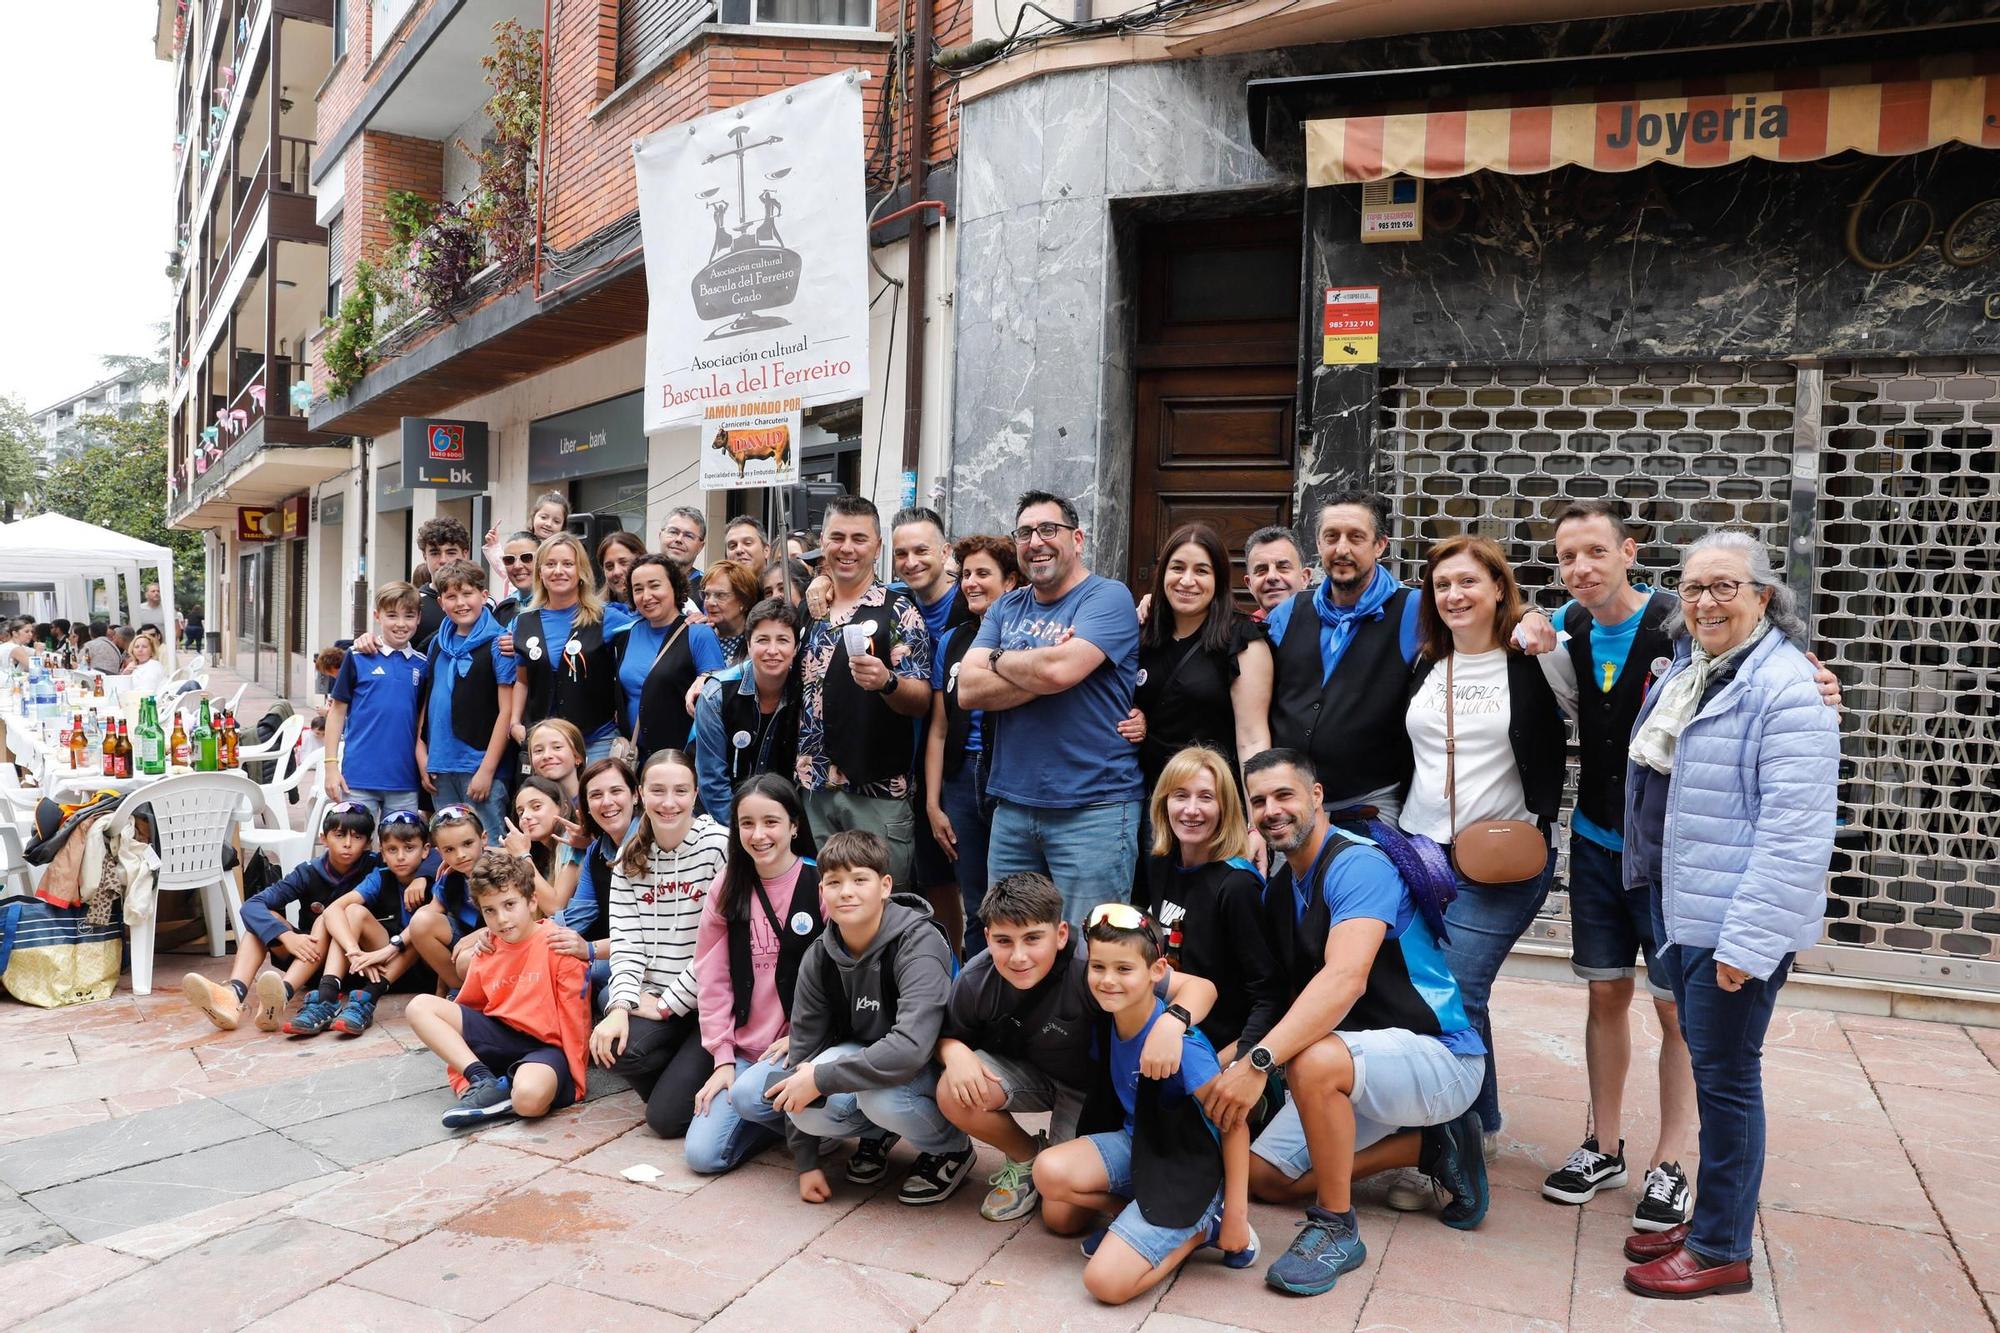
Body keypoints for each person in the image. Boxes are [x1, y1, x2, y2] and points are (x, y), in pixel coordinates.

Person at [1619, 531, 1839, 1300]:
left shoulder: (1786, 688)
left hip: (1730, 923)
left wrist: (1746, 941)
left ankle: (1720, 1249)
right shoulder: (1695, 667)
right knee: (1716, 1074)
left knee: (1727, 1080)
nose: (1706, 601)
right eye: (1693, 587)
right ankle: (1714, 1218)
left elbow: (1795, 834)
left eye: (1725, 587)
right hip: (1684, 909)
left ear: (1764, 597)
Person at [1204, 750, 1488, 1298]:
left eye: (1284, 795)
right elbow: (1286, 997)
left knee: (1311, 1061)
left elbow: (1345, 980)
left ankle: (1336, 1227)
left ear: (1316, 796)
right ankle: (1428, 1149)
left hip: (1441, 1059)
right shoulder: (1287, 883)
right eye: (1258, 801)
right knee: (1265, 1178)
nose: (1270, 810)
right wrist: (1231, 1060)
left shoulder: (1358, 863)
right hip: (1360, 1062)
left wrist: (1260, 1062)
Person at [1533, 500, 1698, 1227]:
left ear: (1629, 550)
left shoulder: (1678, 623)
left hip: (1667, 851)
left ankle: (1675, 1160)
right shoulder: (1566, 627)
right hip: (1597, 839)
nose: (1582, 569)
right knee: (1605, 994)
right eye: (1569, 556)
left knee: (1675, 1007)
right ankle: (1602, 1143)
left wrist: (1816, 678)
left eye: (1596, 552)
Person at [1395, 534, 1566, 1169]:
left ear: (1499, 588)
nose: (1454, 595)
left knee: (1457, 994)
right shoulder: (1425, 663)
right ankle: (1483, 1118)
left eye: (1469, 582)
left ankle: (1446, 1146)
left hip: (1501, 860)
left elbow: (1590, 678)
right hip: (1420, 853)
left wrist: (1535, 619)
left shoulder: (1536, 658)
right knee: (1443, 991)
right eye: (1442, 585)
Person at [933, 871, 1216, 1224]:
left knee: (1063, 1220)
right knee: (952, 1089)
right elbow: (945, 1032)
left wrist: (1173, 1022)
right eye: (1004, 941)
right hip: (1034, 1074)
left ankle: (1136, 1196)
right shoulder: (977, 979)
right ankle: (1026, 1157)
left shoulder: (1095, 965)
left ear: (1062, 934)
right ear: (987, 938)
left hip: (1091, 1092)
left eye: (1033, 938)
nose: (1019, 956)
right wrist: (953, 1052)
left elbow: (1201, 988)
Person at [1032, 904, 1257, 1305]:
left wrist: (1238, 1214)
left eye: (1124, 969)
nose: (1108, 980)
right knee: (1053, 1193)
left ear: (1157, 972)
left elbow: (1235, 1125)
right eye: (1098, 967)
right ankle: (1132, 1215)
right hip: (1141, 1142)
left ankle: (1204, 1228)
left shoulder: (1181, 1047)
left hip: (1188, 1166)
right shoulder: (1110, 1015)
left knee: (1104, 1284)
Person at [958, 491, 1143, 927]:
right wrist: (1045, 666)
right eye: (1025, 532)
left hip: (1094, 808)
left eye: (1048, 530)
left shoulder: (1108, 597)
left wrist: (1002, 660)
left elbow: (1060, 671)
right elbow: (968, 688)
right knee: (1011, 941)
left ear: (1077, 539)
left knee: (1091, 949)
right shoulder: (1006, 605)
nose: (1035, 541)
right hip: (1013, 807)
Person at [765, 829, 972, 1206]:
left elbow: (910, 1050)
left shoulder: (918, 942)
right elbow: (804, 1050)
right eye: (834, 882)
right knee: (804, 1102)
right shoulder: (821, 954)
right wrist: (806, 1162)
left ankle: (951, 1148)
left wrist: (823, 1078)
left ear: (885, 886)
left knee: (879, 1099)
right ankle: (878, 1135)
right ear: (822, 891)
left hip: (934, 1063)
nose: (846, 891)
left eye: (860, 879)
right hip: (869, 1057)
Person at [589, 749, 729, 1138]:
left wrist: (669, 1006)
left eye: (681, 791)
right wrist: (621, 1006)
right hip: (655, 997)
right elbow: (627, 941)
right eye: (658, 790)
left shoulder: (720, 846)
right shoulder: (629, 854)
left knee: (665, 1121)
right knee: (610, 1042)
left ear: (696, 793)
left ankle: (695, 1072)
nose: (669, 803)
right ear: (640, 793)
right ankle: (681, 1070)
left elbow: (723, 947)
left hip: (709, 1004)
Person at [794, 496, 933, 885]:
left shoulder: (899, 611)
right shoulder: (812, 608)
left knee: (886, 915)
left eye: (859, 538)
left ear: (877, 547)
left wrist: (887, 682)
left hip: (876, 795)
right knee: (824, 909)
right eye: (837, 537)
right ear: (823, 542)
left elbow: (921, 699)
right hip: (814, 790)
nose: (847, 548)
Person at [686, 773, 820, 1174]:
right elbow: (712, 978)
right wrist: (722, 1058)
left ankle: (810, 1125)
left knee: (747, 1096)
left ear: (795, 825)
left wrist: (803, 1035)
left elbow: (843, 978)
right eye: (747, 823)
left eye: (771, 822)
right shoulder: (727, 887)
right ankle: (784, 1124)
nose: (759, 834)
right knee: (702, 1156)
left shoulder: (820, 883)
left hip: (800, 1047)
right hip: (745, 1051)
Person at [409, 850, 593, 1128]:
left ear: (532, 902)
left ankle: (506, 1091)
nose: (502, 919)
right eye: (490, 911)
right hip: (498, 1036)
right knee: (419, 1006)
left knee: (528, 1102)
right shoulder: (488, 946)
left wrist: (575, 1080)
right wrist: (463, 1074)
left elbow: (576, 1017)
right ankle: (483, 1079)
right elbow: (470, 1007)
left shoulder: (558, 944)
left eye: (509, 905)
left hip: (544, 1048)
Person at [181, 803, 383, 1034]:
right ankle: (233, 995)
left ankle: (283, 995)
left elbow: (415, 860)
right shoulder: (308, 872)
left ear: (369, 843)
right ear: (323, 838)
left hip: (355, 964)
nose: (347, 844)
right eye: (339, 835)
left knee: (329, 919)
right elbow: (252, 906)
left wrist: (421, 880)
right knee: (260, 924)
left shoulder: (376, 866)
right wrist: (287, 937)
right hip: (309, 959)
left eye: (357, 837)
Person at [1131, 522, 1273, 801]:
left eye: (1201, 571)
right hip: (1149, 801)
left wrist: (1255, 820)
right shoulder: (1142, 631)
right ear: (1162, 574)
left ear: (1218, 579)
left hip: (1214, 803)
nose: (1186, 580)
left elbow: (1253, 740)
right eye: (1177, 568)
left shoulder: (1241, 639)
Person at [925, 535, 1018, 957]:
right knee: (974, 901)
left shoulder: (1024, 637)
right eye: (965, 574)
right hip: (961, 778)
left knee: (1011, 901)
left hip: (1008, 775)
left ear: (1011, 581)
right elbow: (939, 728)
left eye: (983, 573)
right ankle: (978, 999)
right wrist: (933, 802)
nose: (971, 583)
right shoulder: (953, 641)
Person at [305, 810, 442, 1037]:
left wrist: (423, 877)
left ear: (426, 850)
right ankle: (327, 994)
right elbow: (332, 911)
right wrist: (354, 951)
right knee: (353, 911)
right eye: (392, 850)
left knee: (419, 926)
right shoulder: (381, 875)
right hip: (381, 964)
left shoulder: (437, 876)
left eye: (409, 848)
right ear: (382, 853)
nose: (400, 857)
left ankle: (368, 998)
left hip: (423, 967)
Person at [510, 532, 635, 765]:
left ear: (581, 572)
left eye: (568, 564)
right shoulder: (524, 622)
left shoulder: (608, 618)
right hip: (545, 746)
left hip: (597, 741)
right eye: (550, 564)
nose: (559, 571)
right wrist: (515, 722)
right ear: (540, 573)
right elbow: (523, 680)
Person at [419, 560, 517, 839]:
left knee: (489, 849)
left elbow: (506, 711)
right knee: (450, 846)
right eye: (451, 596)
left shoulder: (499, 643)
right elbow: (427, 700)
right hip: (440, 765)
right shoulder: (437, 642)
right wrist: (424, 755)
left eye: (467, 594)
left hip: (479, 766)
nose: (460, 603)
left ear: (484, 596)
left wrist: (487, 770)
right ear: (440, 602)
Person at [693, 598, 802, 823]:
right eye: (762, 640)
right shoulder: (717, 694)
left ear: (796, 648)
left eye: (782, 640)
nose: (772, 650)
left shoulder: (806, 693)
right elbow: (713, 782)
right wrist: (743, 831)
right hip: (724, 823)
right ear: (749, 645)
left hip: (786, 824)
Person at [323, 584, 425, 822]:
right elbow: (337, 712)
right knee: (354, 848)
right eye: (391, 615)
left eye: (409, 616)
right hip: (357, 778)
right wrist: (330, 766)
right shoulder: (357, 657)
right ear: (377, 616)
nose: (401, 624)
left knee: (402, 852)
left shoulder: (423, 665)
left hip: (404, 780)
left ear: (419, 618)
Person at [620, 554, 726, 763]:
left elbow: (717, 695)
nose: (646, 595)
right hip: (636, 759)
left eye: (654, 586)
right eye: (638, 589)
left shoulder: (698, 633)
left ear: (674, 587)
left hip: (681, 759)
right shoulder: (629, 633)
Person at [404, 805, 493, 991]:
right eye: (449, 850)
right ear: (440, 853)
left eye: (467, 844)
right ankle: (459, 989)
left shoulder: (502, 869)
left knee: (465, 958)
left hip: (501, 938)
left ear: (483, 838)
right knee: (421, 920)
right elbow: (425, 918)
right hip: (466, 943)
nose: (460, 855)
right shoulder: (450, 877)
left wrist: (478, 936)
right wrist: (391, 947)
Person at [482, 492, 570, 597]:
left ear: (563, 527)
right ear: (533, 518)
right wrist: (494, 545)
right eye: (544, 517)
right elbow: (504, 567)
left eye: (556, 521)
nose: (548, 524)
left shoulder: (565, 552)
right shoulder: (521, 542)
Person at [412, 517, 478, 654]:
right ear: (425, 556)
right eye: (435, 553)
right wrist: (367, 641)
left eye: (451, 553)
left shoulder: (484, 602)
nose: (443, 560)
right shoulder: (412, 602)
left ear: (465, 554)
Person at [1242, 526, 1313, 620]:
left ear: (1304, 578)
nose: (1272, 576)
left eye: (1283, 567)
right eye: (1261, 570)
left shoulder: (1329, 631)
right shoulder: (1237, 633)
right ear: (1249, 584)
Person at [699, 559, 760, 665]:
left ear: (744, 601)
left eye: (720, 595)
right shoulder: (700, 636)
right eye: (707, 595)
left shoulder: (758, 641)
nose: (710, 602)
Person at [525, 717, 587, 806]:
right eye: (538, 750)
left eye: (557, 747)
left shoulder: (592, 802)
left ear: (577, 756)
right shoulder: (528, 805)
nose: (546, 756)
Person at [659, 505, 709, 603]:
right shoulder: (639, 579)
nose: (679, 539)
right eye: (673, 532)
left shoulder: (708, 588)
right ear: (660, 536)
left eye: (688, 536)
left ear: (701, 546)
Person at [492, 531, 539, 626]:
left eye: (527, 558)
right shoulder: (503, 609)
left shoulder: (557, 605)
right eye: (509, 560)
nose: (517, 566)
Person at [597, 530, 647, 609]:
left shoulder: (656, 612)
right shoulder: (597, 614)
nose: (617, 572)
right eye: (609, 566)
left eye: (624, 563)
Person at [125, 630, 168, 694]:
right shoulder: (133, 666)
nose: (140, 650)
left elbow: (146, 691)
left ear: (152, 651)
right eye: (137, 647)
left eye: (144, 647)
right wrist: (125, 674)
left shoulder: (154, 666)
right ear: (132, 651)